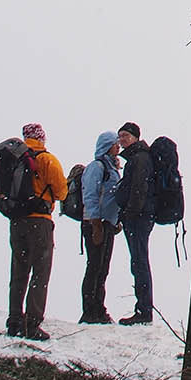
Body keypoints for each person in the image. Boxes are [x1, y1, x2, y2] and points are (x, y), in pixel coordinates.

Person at [6, 122, 67, 342]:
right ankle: (32, 324)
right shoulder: (47, 159)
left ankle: (14, 320)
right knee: (40, 272)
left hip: (17, 221)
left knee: (19, 270)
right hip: (40, 222)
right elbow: (61, 191)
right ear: (41, 138)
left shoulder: (14, 160)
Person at [114, 122, 155, 325]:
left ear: (136, 137)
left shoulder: (139, 158)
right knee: (138, 261)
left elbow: (139, 188)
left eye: (126, 136)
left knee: (139, 262)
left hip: (138, 218)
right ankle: (143, 309)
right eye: (120, 136)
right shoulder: (138, 157)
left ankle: (144, 311)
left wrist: (129, 213)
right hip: (140, 216)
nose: (122, 140)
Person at [80, 132, 122, 324]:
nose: (119, 147)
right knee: (95, 266)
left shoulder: (111, 168)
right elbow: (90, 195)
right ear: (107, 146)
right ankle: (90, 310)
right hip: (95, 223)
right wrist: (95, 223)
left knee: (102, 268)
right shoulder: (97, 167)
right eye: (115, 144)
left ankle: (98, 308)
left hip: (108, 224)